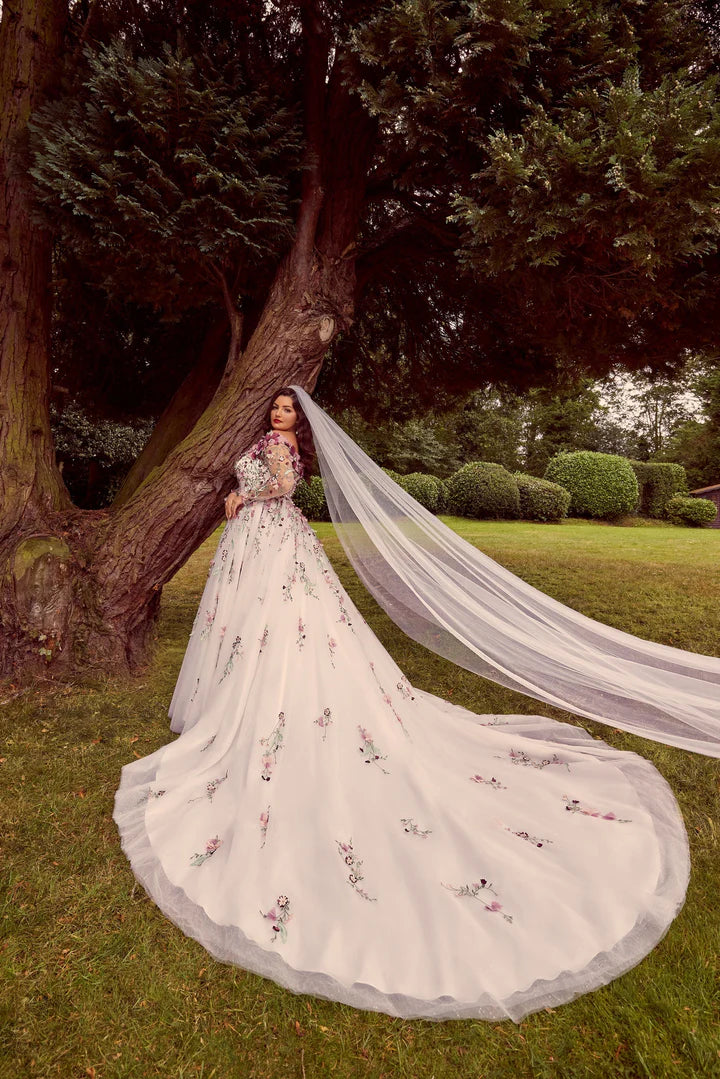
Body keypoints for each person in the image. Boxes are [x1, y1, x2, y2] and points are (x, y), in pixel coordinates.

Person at [113, 386, 695, 1022]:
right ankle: (242, 702)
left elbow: (280, 489)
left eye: (287, 411)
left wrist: (241, 494)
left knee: (284, 632)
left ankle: (273, 709)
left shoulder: (280, 447)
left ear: (296, 424)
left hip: (272, 537)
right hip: (259, 543)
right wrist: (243, 497)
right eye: (275, 408)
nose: (278, 416)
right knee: (257, 630)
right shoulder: (267, 441)